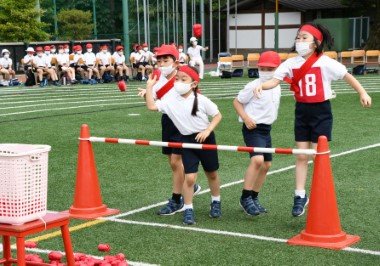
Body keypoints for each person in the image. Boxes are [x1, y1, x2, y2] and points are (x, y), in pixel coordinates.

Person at [254, 22, 372, 217]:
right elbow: (275, 80)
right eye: (298, 37)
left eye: (304, 38)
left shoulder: (325, 62)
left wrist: (362, 92)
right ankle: (299, 195)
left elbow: (347, 76)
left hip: (321, 112)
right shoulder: (291, 63)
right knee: (301, 155)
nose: (299, 41)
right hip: (302, 112)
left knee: (318, 156)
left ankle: (320, 194)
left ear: (316, 43)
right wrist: (262, 86)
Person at [145, 65, 222, 225]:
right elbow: (152, 106)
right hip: (186, 141)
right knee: (190, 177)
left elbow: (217, 115)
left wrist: (208, 130)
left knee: (212, 174)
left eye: (183, 79)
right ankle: (188, 209)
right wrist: (149, 87)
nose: (178, 82)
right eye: (177, 79)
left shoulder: (201, 100)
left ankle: (216, 202)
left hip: (205, 139)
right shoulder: (169, 100)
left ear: (193, 84)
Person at [138, 45, 201, 216]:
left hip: (183, 123)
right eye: (159, 61)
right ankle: (190, 186)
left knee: (175, 161)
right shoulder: (158, 77)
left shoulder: (183, 77)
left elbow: (195, 96)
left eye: (166, 60)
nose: (162, 63)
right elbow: (156, 99)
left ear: (175, 61)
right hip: (168, 122)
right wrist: (147, 91)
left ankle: (176, 199)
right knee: (173, 163)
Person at [233, 51, 281, 216]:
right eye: (263, 67)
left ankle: (254, 197)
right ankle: (245, 197)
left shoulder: (276, 86)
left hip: (266, 129)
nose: (266, 70)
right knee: (258, 160)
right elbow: (237, 101)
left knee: (266, 165)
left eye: (270, 68)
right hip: (253, 129)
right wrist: (245, 118)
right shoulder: (253, 85)